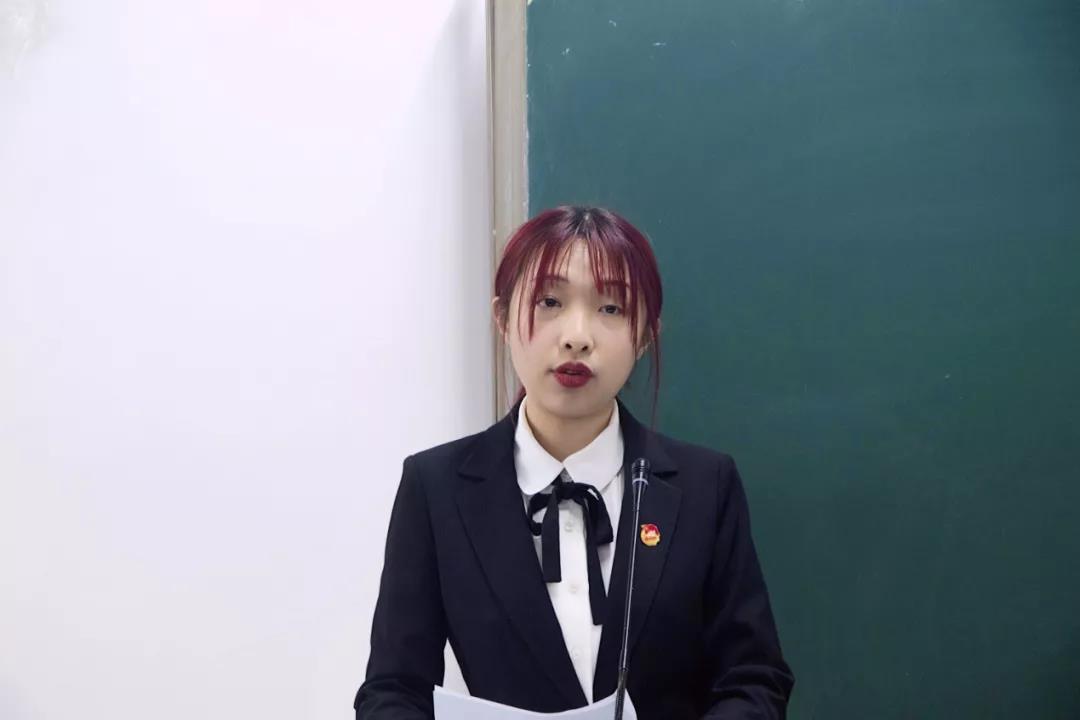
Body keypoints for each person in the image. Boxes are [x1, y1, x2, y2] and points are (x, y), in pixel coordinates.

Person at [354, 206, 794, 719]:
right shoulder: (436, 489)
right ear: (503, 317)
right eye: (549, 301)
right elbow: (393, 690)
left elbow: (754, 680)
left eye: (611, 307)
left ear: (645, 334)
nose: (577, 335)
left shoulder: (705, 487)